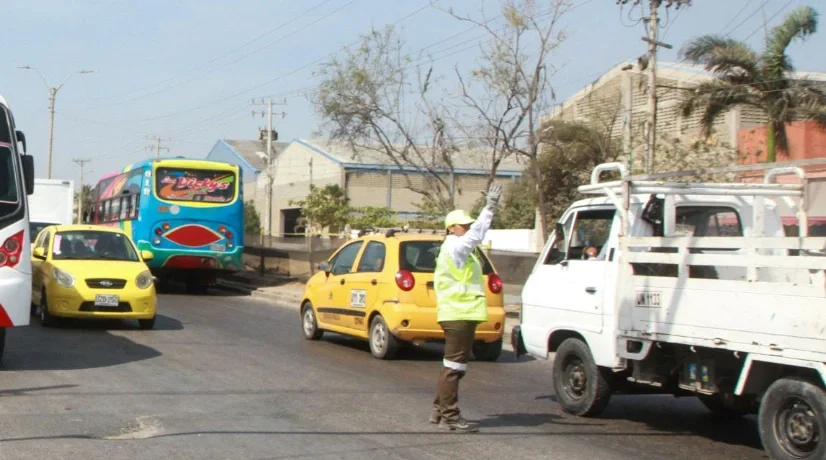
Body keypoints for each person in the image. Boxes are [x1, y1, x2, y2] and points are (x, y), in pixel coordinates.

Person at [430, 182, 502, 433]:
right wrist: (489, 208)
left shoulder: (456, 249)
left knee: (452, 365)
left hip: (458, 313)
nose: (468, 228)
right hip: (459, 314)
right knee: (454, 367)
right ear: (451, 228)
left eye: (468, 224)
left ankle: (440, 411)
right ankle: (450, 416)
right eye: (464, 225)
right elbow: (477, 235)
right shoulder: (455, 246)